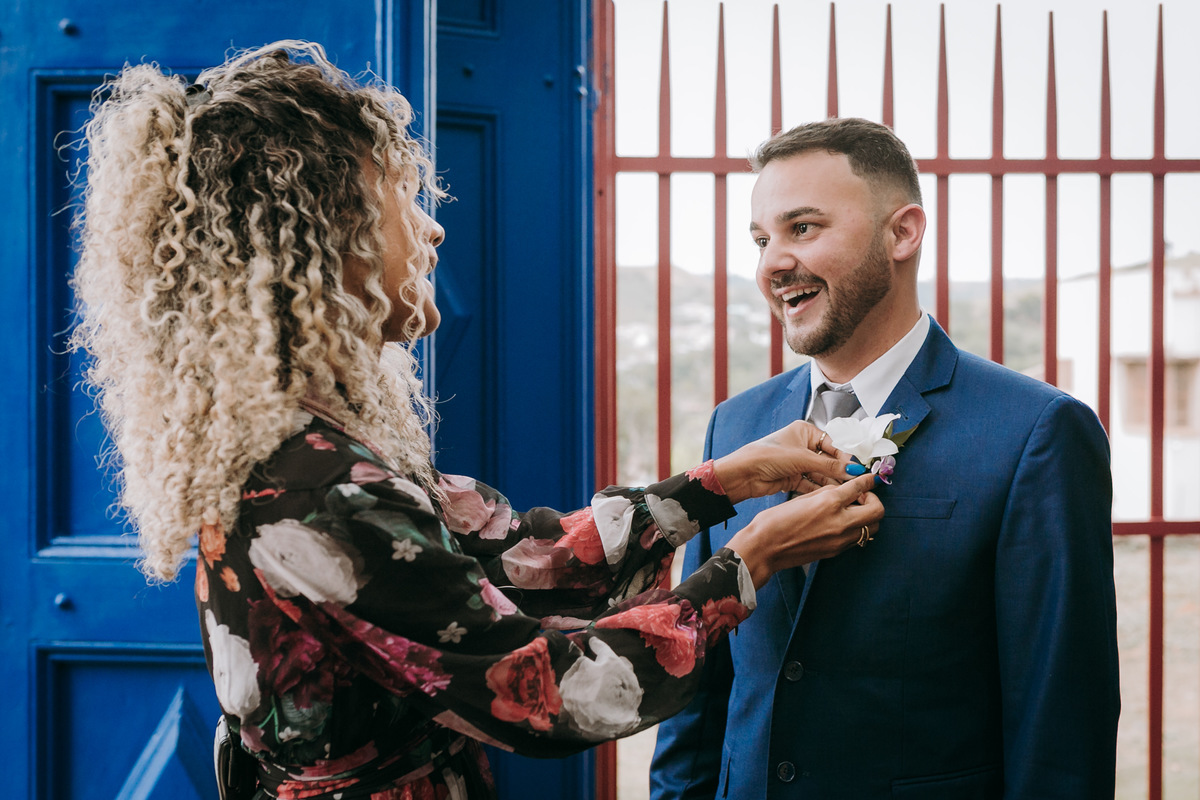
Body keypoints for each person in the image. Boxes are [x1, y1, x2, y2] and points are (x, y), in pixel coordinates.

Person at [71, 42, 885, 799]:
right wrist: (752, 558)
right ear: (322, 239)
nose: (432, 227)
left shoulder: (316, 448)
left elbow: (517, 563)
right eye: (400, 201)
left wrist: (723, 481)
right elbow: (548, 692)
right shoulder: (310, 488)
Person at [650, 117, 1120, 799]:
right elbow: (699, 691)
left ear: (902, 233)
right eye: (761, 240)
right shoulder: (737, 424)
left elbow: (1061, 729)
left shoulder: (1037, 433)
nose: (772, 264)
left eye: (802, 227)